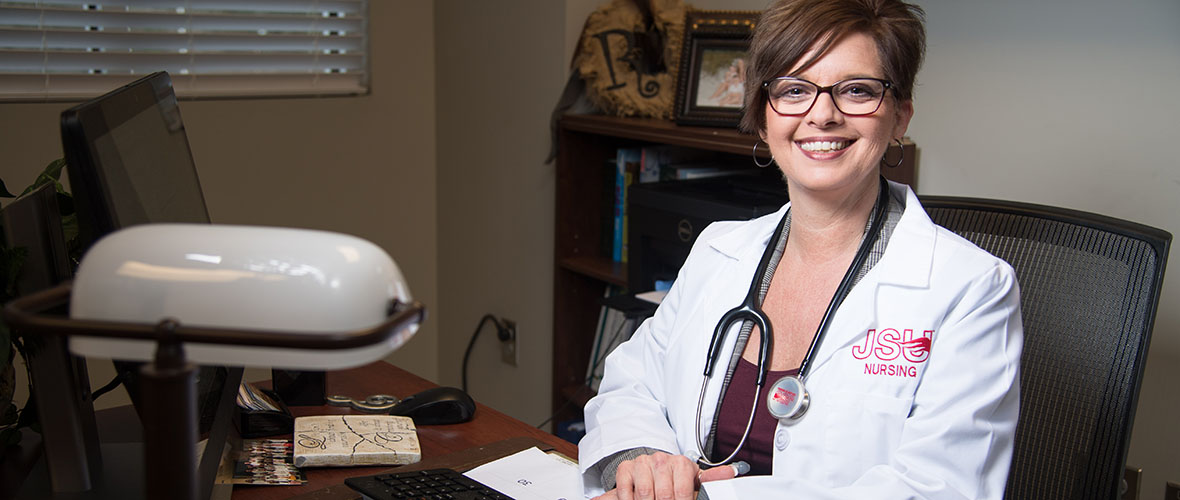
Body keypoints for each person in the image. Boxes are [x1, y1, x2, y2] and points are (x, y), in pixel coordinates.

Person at [578, 0, 1024, 499]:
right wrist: (644, 460)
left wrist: (710, 497)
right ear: (763, 119)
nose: (823, 114)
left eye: (857, 90)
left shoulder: (971, 288)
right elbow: (632, 383)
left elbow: (941, 489)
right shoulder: (719, 249)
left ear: (900, 116)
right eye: (794, 89)